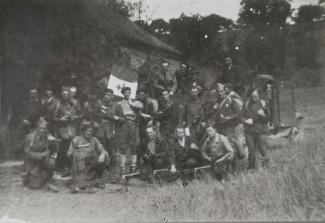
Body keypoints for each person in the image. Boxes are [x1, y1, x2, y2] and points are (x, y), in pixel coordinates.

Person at [67, 120, 109, 193]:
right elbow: (69, 154)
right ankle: (86, 185)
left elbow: (103, 150)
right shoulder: (76, 140)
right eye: (88, 131)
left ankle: (97, 180)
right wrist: (75, 154)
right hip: (79, 168)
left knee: (105, 158)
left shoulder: (94, 139)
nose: (89, 133)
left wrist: (102, 154)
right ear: (83, 131)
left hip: (91, 166)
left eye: (91, 131)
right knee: (81, 182)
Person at [23, 118, 58, 192]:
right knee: (35, 186)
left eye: (44, 128)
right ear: (36, 128)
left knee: (52, 162)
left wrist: (51, 157)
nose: (42, 130)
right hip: (33, 164)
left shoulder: (48, 137)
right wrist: (41, 155)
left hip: (44, 163)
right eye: (40, 128)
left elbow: (55, 149)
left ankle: (48, 181)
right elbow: (28, 153)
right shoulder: (29, 137)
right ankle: (29, 177)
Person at [212, 83, 246, 160]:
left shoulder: (230, 100)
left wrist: (230, 117)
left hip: (228, 126)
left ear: (225, 91)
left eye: (221, 91)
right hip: (219, 126)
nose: (220, 93)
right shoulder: (216, 103)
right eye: (218, 92)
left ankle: (239, 153)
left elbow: (239, 113)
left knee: (229, 142)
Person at [54, 86, 82, 176]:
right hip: (63, 129)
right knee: (63, 149)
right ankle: (62, 167)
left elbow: (81, 114)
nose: (65, 96)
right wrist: (60, 119)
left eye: (67, 94)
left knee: (73, 148)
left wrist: (75, 117)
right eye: (64, 94)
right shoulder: (58, 104)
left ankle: (71, 167)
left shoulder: (74, 103)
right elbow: (53, 117)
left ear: (70, 94)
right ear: (62, 95)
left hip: (73, 128)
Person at [116, 86, 143, 174]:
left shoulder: (135, 102)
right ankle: (122, 167)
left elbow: (140, 106)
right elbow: (117, 114)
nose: (127, 94)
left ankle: (133, 166)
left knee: (133, 145)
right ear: (123, 93)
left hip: (133, 125)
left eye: (129, 92)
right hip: (124, 125)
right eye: (126, 92)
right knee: (123, 145)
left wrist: (131, 103)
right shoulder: (119, 103)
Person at [242, 88, 271, 170]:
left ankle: (266, 167)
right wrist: (245, 120)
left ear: (258, 96)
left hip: (261, 131)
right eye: (252, 97)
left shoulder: (263, 103)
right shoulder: (247, 104)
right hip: (250, 131)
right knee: (251, 151)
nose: (253, 98)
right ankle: (251, 168)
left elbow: (269, 117)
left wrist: (263, 115)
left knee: (263, 150)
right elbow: (240, 116)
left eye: (255, 97)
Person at [94, 89, 120, 176]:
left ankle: (111, 171)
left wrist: (115, 118)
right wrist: (95, 122)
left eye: (108, 94)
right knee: (101, 150)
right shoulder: (99, 105)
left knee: (112, 151)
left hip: (111, 131)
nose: (106, 96)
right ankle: (100, 171)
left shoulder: (116, 106)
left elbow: (121, 118)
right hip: (101, 131)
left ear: (112, 96)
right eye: (105, 94)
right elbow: (94, 115)